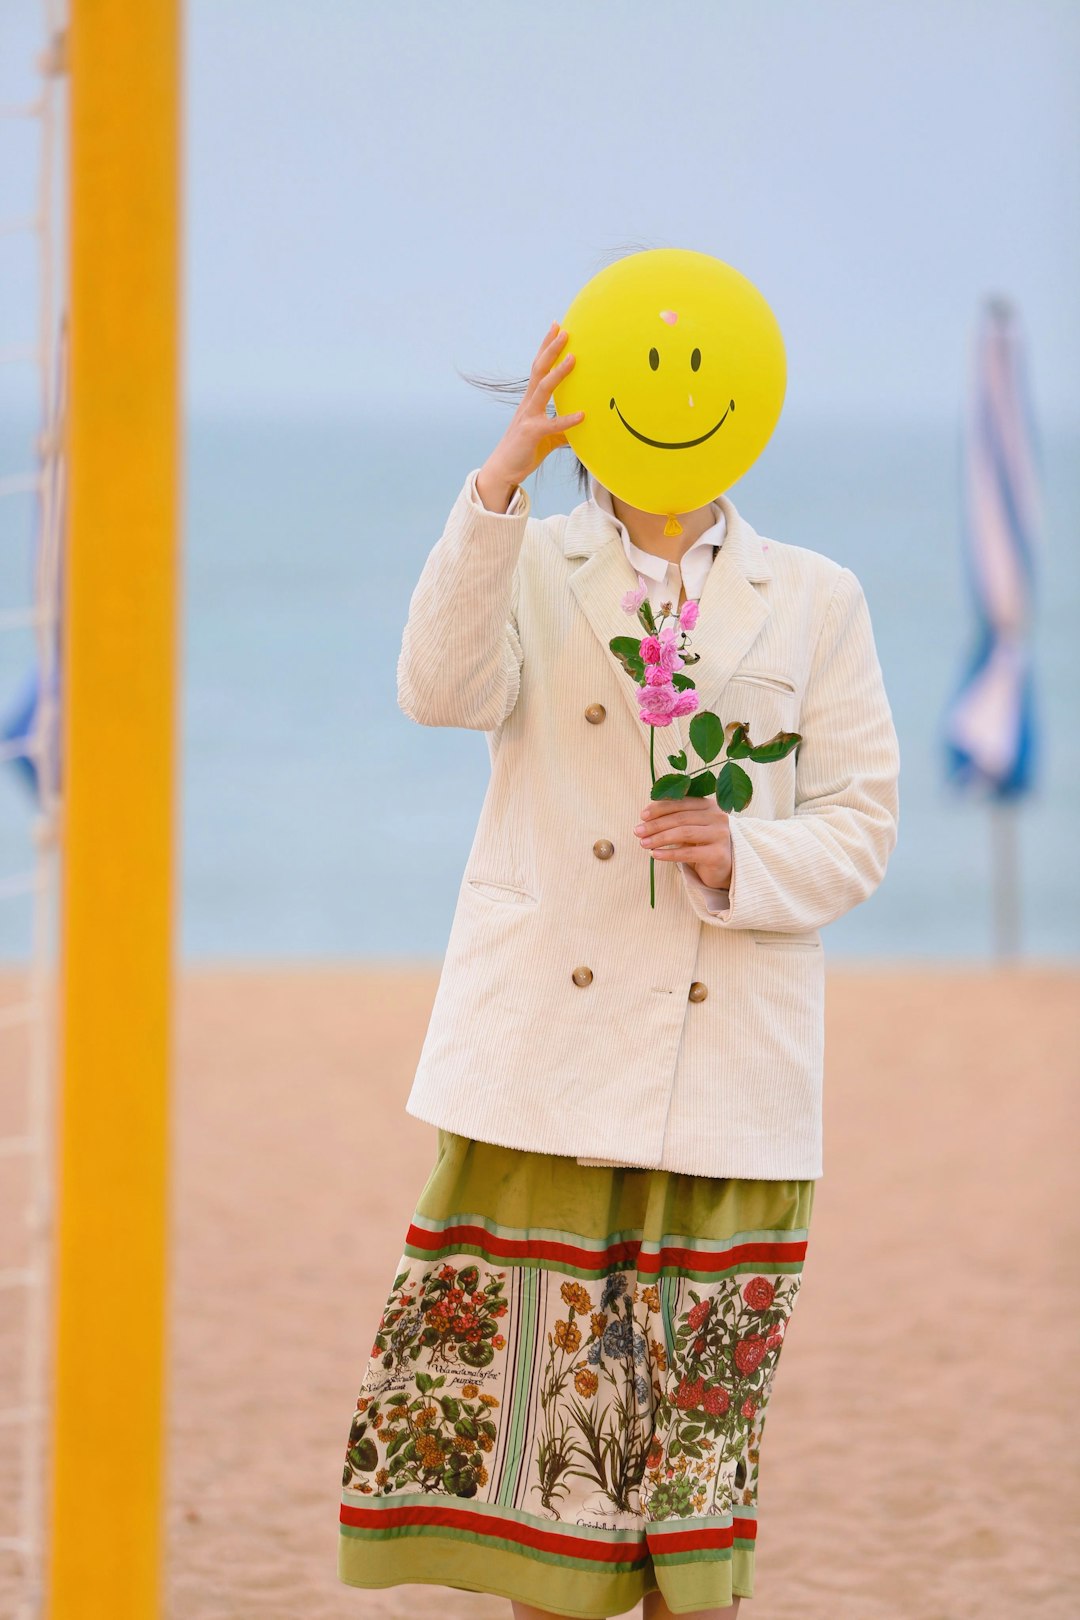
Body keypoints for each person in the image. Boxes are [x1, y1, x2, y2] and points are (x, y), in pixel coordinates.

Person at [337, 320, 901, 1618]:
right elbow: (435, 686)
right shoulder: (526, 560)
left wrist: (740, 854)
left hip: (732, 1084)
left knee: (693, 1494)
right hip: (547, 1069)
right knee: (547, 1486)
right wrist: (499, 483)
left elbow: (862, 827)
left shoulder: (817, 595)